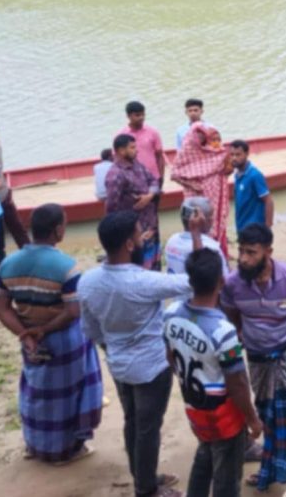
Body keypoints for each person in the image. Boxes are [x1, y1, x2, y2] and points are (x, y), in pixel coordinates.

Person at [79, 210, 192, 497]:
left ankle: (143, 476)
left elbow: (90, 329)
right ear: (129, 244)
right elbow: (193, 282)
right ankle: (146, 488)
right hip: (152, 367)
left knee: (132, 421)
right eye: (140, 234)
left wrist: (111, 347)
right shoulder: (143, 281)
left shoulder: (88, 282)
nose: (144, 238)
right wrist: (199, 240)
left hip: (118, 365)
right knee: (148, 428)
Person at [0, 203, 104, 465]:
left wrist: (25, 334)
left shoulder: (8, 264)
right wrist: (44, 329)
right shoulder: (66, 267)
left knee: (37, 392)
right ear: (57, 230)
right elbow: (73, 311)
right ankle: (65, 450)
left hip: (30, 340)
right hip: (63, 339)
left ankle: (35, 445)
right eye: (64, 224)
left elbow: (1, 307)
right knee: (68, 395)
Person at [221, 224, 286, 496]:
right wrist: (255, 336)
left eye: (251, 252)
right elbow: (232, 317)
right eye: (241, 251)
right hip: (258, 357)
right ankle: (269, 470)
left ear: (268, 251)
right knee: (268, 413)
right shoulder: (232, 283)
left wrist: (279, 332)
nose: (244, 258)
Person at [163, 248, 263, 497]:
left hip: (194, 406)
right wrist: (252, 418)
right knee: (226, 477)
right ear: (221, 281)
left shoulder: (171, 314)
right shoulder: (223, 331)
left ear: (190, 280)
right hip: (224, 415)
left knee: (205, 456)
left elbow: (170, 357)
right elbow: (237, 383)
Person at [171, 123, 232, 252]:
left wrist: (226, 160)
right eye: (197, 135)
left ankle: (218, 250)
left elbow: (227, 170)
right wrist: (191, 184)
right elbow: (175, 174)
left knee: (215, 220)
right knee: (194, 220)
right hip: (194, 196)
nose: (200, 138)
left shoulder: (213, 153)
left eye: (203, 135)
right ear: (191, 136)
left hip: (215, 194)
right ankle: (196, 250)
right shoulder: (185, 153)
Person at [105, 134, 161, 270]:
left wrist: (149, 196)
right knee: (140, 268)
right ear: (121, 151)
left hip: (151, 225)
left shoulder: (137, 164)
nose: (137, 150)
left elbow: (154, 181)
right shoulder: (115, 175)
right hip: (135, 232)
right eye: (132, 147)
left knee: (154, 265)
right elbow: (112, 209)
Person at [164, 197, 231, 277]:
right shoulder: (211, 248)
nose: (213, 219)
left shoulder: (172, 240)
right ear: (204, 220)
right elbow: (224, 279)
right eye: (211, 216)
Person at [118, 101, 167, 193]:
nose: (141, 118)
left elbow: (159, 156)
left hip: (153, 179)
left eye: (143, 115)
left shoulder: (153, 132)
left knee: (154, 202)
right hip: (132, 180)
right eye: (137, 115)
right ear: (128, 116)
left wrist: (161, 177)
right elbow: (118, 159)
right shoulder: (121, 135)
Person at [229, 139, 273, 232]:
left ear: (246, 154)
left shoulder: (255, 175)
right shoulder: (237, 175)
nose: (234, 158)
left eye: (238, 155)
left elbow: (268, 200)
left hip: (255, 228)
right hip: (242, 227)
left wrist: (268, 226)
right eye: (232, 155)